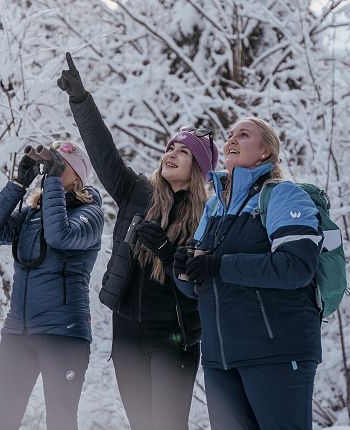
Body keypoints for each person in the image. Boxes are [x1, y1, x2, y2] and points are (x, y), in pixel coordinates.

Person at [57, 52, 219, 430]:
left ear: (198, 169)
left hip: (174, 337)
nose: (171, 155)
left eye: (183, 152)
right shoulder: (136, 192)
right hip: (127, 331)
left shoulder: (209, 217)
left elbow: (200, 285)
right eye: (169, 148)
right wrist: (81, 100)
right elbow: (103, 153)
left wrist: (165, 248)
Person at [173, 117, 323, 430]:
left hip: (276, 353)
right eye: (229, 135)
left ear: (266, 152)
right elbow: (199, 288)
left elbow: (295, 267)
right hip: (220, 359)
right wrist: (183, 271)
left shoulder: (284, 196)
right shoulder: (215, 207)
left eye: (243, 135)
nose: (231, 140)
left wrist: (220, 264)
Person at [0, 141, 104, 430]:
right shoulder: (31, 214)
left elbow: (60, 236)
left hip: (63, 335)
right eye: (51, 162)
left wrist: (54, 184)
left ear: (79, 176)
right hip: (18, 332)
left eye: (61, 163)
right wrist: (19, 183)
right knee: (0, 420)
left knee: (60, 421)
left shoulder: (91, 214)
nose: (52, 168)